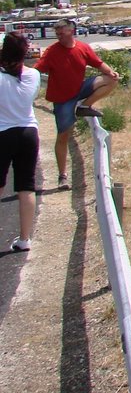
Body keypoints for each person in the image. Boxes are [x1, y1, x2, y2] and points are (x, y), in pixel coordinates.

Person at [34, 18, 120, 190]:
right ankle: (62, 175)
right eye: (57, 33)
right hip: (62, 99)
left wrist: (111, 71)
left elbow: (98, 63)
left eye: (61, 33)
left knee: (110, 80)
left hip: (79, 90)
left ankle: (84, 107)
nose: (59, 36)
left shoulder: (82, 48)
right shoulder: (52, 51)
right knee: (63, 136)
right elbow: (37, 70)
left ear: (71, 31)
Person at [1, 32, 41, 251]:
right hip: (28, 131)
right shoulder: (33, 75)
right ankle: (25, 239)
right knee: (26, 185)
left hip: (3, 132)